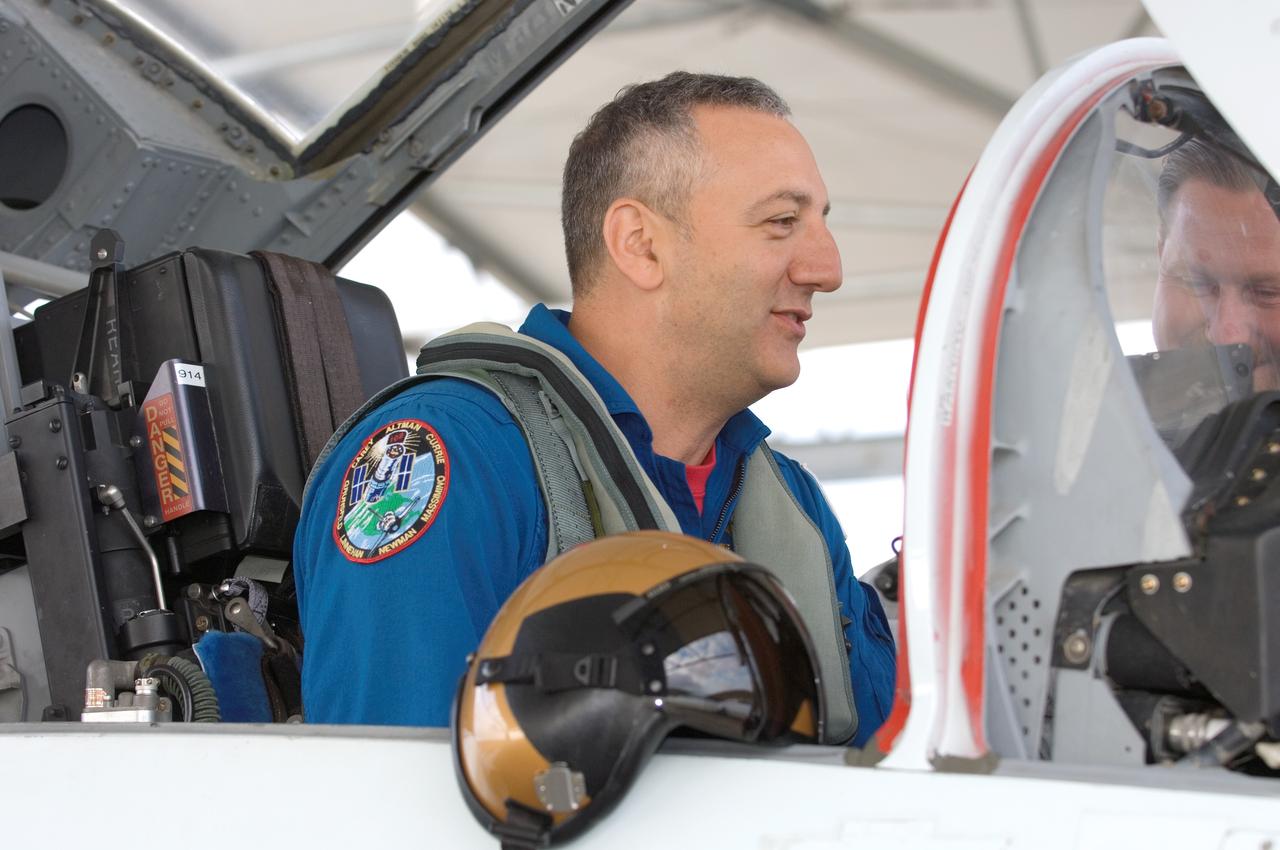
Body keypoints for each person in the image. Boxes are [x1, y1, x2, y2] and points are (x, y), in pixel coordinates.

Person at [293, 72, 896, 747]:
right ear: (639, 243)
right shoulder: (455, 457)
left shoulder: (794, 510)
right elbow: (392, 802)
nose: (828, 267)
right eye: (782, 222)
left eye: (820, 224)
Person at [1152, 138, 1280, 391]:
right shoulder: (1080, 421)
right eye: (1195, 282)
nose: (1227, 337)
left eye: (1268, 293)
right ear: (1160, 253)